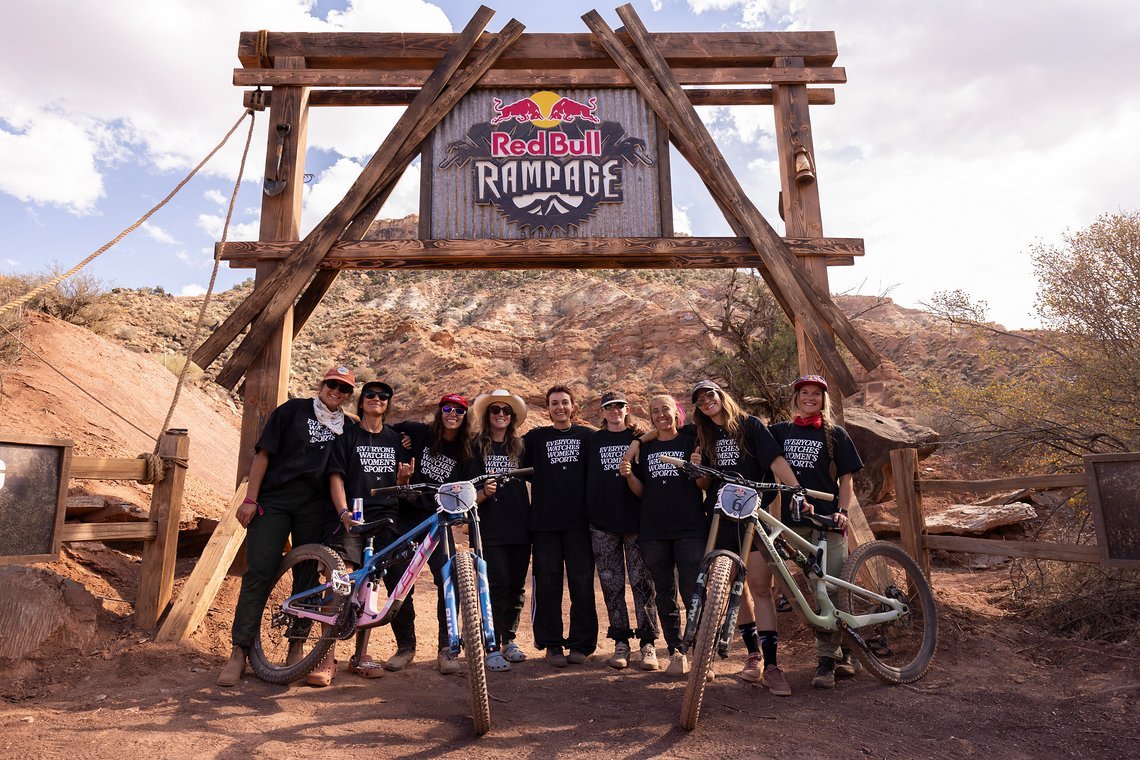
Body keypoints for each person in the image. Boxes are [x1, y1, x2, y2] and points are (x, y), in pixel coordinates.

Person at [626, 379, 805, 695]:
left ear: (722, 396)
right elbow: (669, 439)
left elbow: (775, 460)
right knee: (732, 588)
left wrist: (796, 489)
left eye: (711, 394)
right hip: (720, 517)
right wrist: (638, 444)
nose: (707, 401)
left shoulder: (748, 425)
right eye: (700, 399)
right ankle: (753, 656)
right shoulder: (702, 433)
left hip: (753, 516)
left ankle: (773, 666)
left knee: (760, 587)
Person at [218, 365, 355, 688]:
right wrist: (250, 499)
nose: (336, 391)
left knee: (306, 578)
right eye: (332, 384)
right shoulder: (293, 411)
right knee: (259, 571)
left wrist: (344, 512)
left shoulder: (346, 428)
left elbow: (341, 472)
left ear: (349, 396)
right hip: (276, 501)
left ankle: (296, 646)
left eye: (344, 388)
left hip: (315, 509)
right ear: (322, 384)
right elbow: (263, 454)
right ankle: (239, 651)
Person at [770, 375, 863, 689]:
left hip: (827, 522)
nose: (810, 397)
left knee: (833, 588)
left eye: (816, 394)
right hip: (793, 523)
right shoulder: (780, 432)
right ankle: (839, 651)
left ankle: (832, 659)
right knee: (813, 589)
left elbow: (847, 479)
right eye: (804, 393)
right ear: (796, 398)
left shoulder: (835, 434)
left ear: (824, 399)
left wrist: (844, 511)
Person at [322, 379, 413, 685]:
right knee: (342, 579)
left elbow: (399, 488)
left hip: (385, 517)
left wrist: (402, 480)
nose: (377, 398)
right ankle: (326, 656)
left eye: (383, 396)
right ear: (361, 402)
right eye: (371, 395)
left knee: (371, 585)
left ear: (388, 404)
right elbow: (335, 476)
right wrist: (344, 513)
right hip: (352, 517)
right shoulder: (346, 433)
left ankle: (360, 656)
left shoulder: (395, 440)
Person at [385, 393, 479, 675]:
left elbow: (467, 487)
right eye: (448, 409)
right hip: (407, 517)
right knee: (398, 580)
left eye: (459, 411)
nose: (453, 414)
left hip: (439, 521)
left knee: (448, 580)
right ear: (440, 412)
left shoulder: (467, 451)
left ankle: (447, 648)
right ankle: (406, 647)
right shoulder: (419, 432)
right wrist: (401, 442)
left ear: (465, 417)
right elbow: (385, 430)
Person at [619, 394, 704, 677]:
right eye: (654, 411)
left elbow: (703, 482)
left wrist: (697, 468)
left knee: (692, 591)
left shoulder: (691, 438)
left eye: (665, 409)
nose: (660, 415)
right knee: (664, 593)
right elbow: (642, 492)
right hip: (654, 530)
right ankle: (677, 650)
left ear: (676, 411)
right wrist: (630, 475)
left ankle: (700, 652)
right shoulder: (648, 446)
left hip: (690, 528)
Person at [522, 385, 598, 667]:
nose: (560, 407)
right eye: (554, 403)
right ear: (548, 409)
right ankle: (552, 644)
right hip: (544, 525)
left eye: (565, 402)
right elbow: (506, 449)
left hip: (579, 524)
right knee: (547, 584)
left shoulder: (587, 436)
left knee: (582, 584)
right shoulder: (536, 438)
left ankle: (581, 644)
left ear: (573, 406)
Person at [586, 390, 658, 670]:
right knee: (611, 585)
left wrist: (639, 439)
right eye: (609, 407)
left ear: (627, 409)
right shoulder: (593, 441)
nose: (614, 410)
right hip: (603, 525)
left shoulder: (639, 438)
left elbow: (658, 434)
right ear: (602, 413)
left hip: (637, 524)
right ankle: (621, 642)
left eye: (619, 406)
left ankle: (648, 643)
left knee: (643, 584)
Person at [470, 389, 532, 672]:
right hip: (489, 527)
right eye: (495, 410)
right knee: (494, 585)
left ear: (513, 417)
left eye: (506, 411)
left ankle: (510, 640)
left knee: (516, 587)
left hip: (520, 525)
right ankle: (491, 646)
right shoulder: (475, 447)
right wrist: (483, 493)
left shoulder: (521, 447)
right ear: (487, 415)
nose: (500, 415)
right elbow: (467, 490)